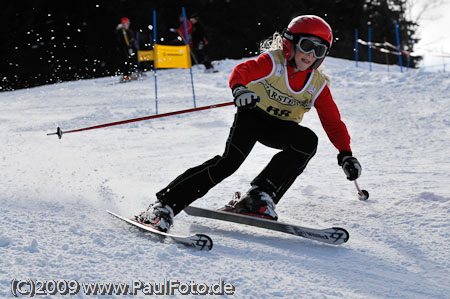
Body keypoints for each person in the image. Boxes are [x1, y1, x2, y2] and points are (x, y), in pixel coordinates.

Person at [136, 15, 362, 232]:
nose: (311, 54)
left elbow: (333, 122)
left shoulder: (317, 84)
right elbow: (242, 71)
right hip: (252, 116)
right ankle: (165, 206)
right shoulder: (274, 62)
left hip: (280, 128)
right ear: (289, 43)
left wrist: (346, 153)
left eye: (319, 50)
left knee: (307, 141)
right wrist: (240, 89)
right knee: (229, 162)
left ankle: (259, 196)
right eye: (307, 45)